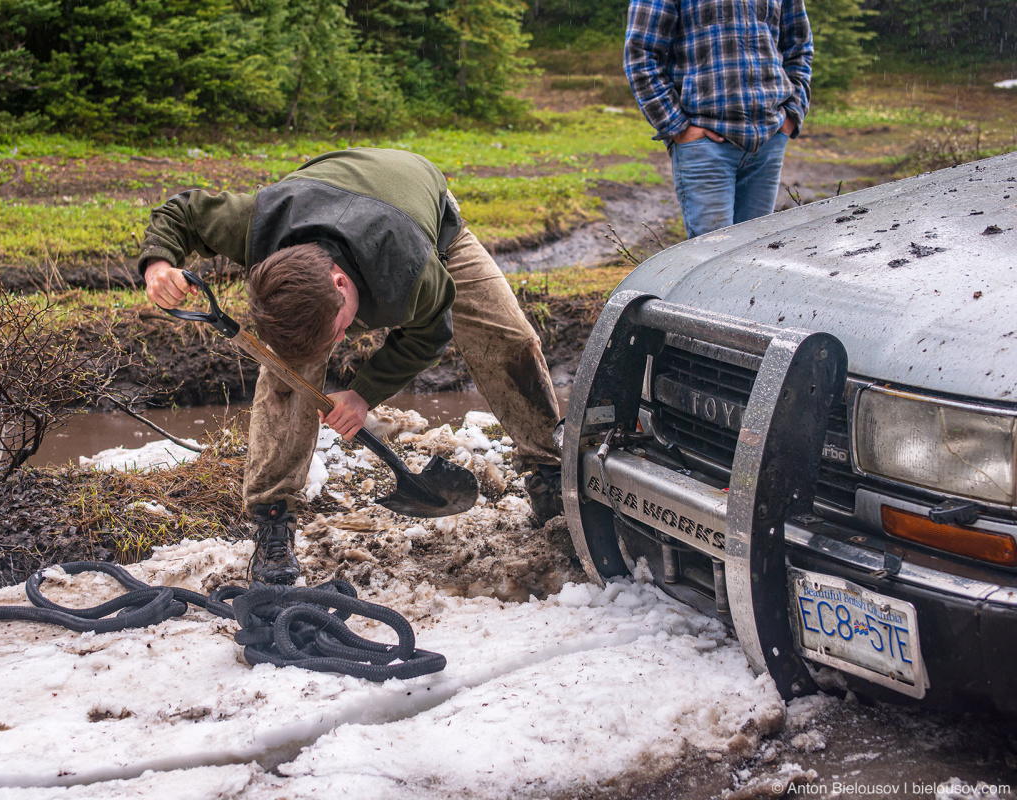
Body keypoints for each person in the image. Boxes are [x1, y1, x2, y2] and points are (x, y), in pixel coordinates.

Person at [138, 148, 563, 585]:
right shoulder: (258, 224)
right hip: (321, 195)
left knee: (510, 339)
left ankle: (551, 473)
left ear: (341, 284)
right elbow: (183, 211)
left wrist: (363, 394)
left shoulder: (413, 271)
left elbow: (431, 333)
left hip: (426, 224)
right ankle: (273, 517)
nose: (343, 341)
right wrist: (158, 264)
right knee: (288, 374)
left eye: (340, 328)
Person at [624, 0, 813, 238]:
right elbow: (640, 55)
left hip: (768, 142)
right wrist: (677, 127)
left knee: (757, 254)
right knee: (712, 258)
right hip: (704, 146)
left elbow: (800, 46)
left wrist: (792, 116)